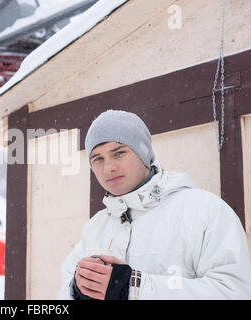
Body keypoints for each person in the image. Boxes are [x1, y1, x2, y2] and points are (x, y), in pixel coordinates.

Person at [57, 109, 251, 300]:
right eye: (98, 159)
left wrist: (135, 289)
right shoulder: (96, 227)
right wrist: (76, 291)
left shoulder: (205, 211)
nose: (108, 168)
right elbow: (63, 291)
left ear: (143, 153)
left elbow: (235, 292)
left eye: (119, 153)